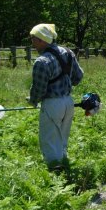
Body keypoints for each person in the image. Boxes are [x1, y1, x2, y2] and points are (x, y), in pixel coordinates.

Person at [27, 23, 84, 172]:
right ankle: (64, 167)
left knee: (49, 141)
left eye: (33, 38)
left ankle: (55, 176)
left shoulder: (41, 61)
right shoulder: (67, 52)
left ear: (41, 39)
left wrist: (33, 101)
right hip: (68, 103)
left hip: (52, 105)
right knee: (62, 139)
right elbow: (79, 77)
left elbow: (39, 89)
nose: (32, 43)